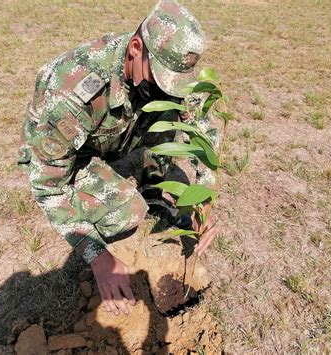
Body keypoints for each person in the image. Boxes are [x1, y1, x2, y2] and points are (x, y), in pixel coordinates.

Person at [18, 0, 219, 316]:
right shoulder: (71, 93)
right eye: (162, 79)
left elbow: (200, 125)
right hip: (70, 151)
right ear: (136, 48)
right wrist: (98, 257)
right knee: (128, 209)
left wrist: (205, 193)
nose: (170, 90)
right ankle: (115, 200)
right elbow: (48, 188)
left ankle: (153, 194)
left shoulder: (164, 63)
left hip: (113, 137)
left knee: (166, 112)